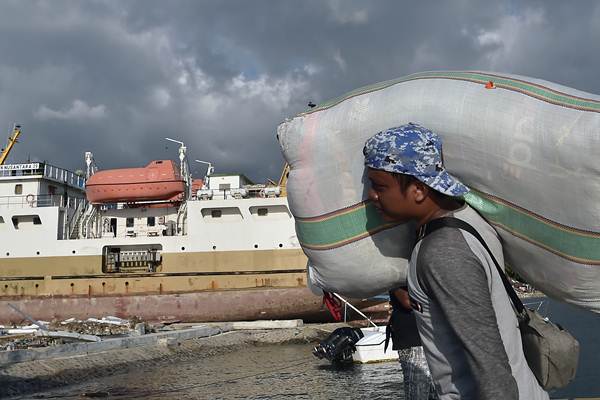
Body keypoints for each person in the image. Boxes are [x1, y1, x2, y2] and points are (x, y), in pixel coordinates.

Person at [363, 123, 548, 400]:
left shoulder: (442, 252)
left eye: (379, 186)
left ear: (418, 190)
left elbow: (489, 365)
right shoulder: (467, 217)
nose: (371, 196)